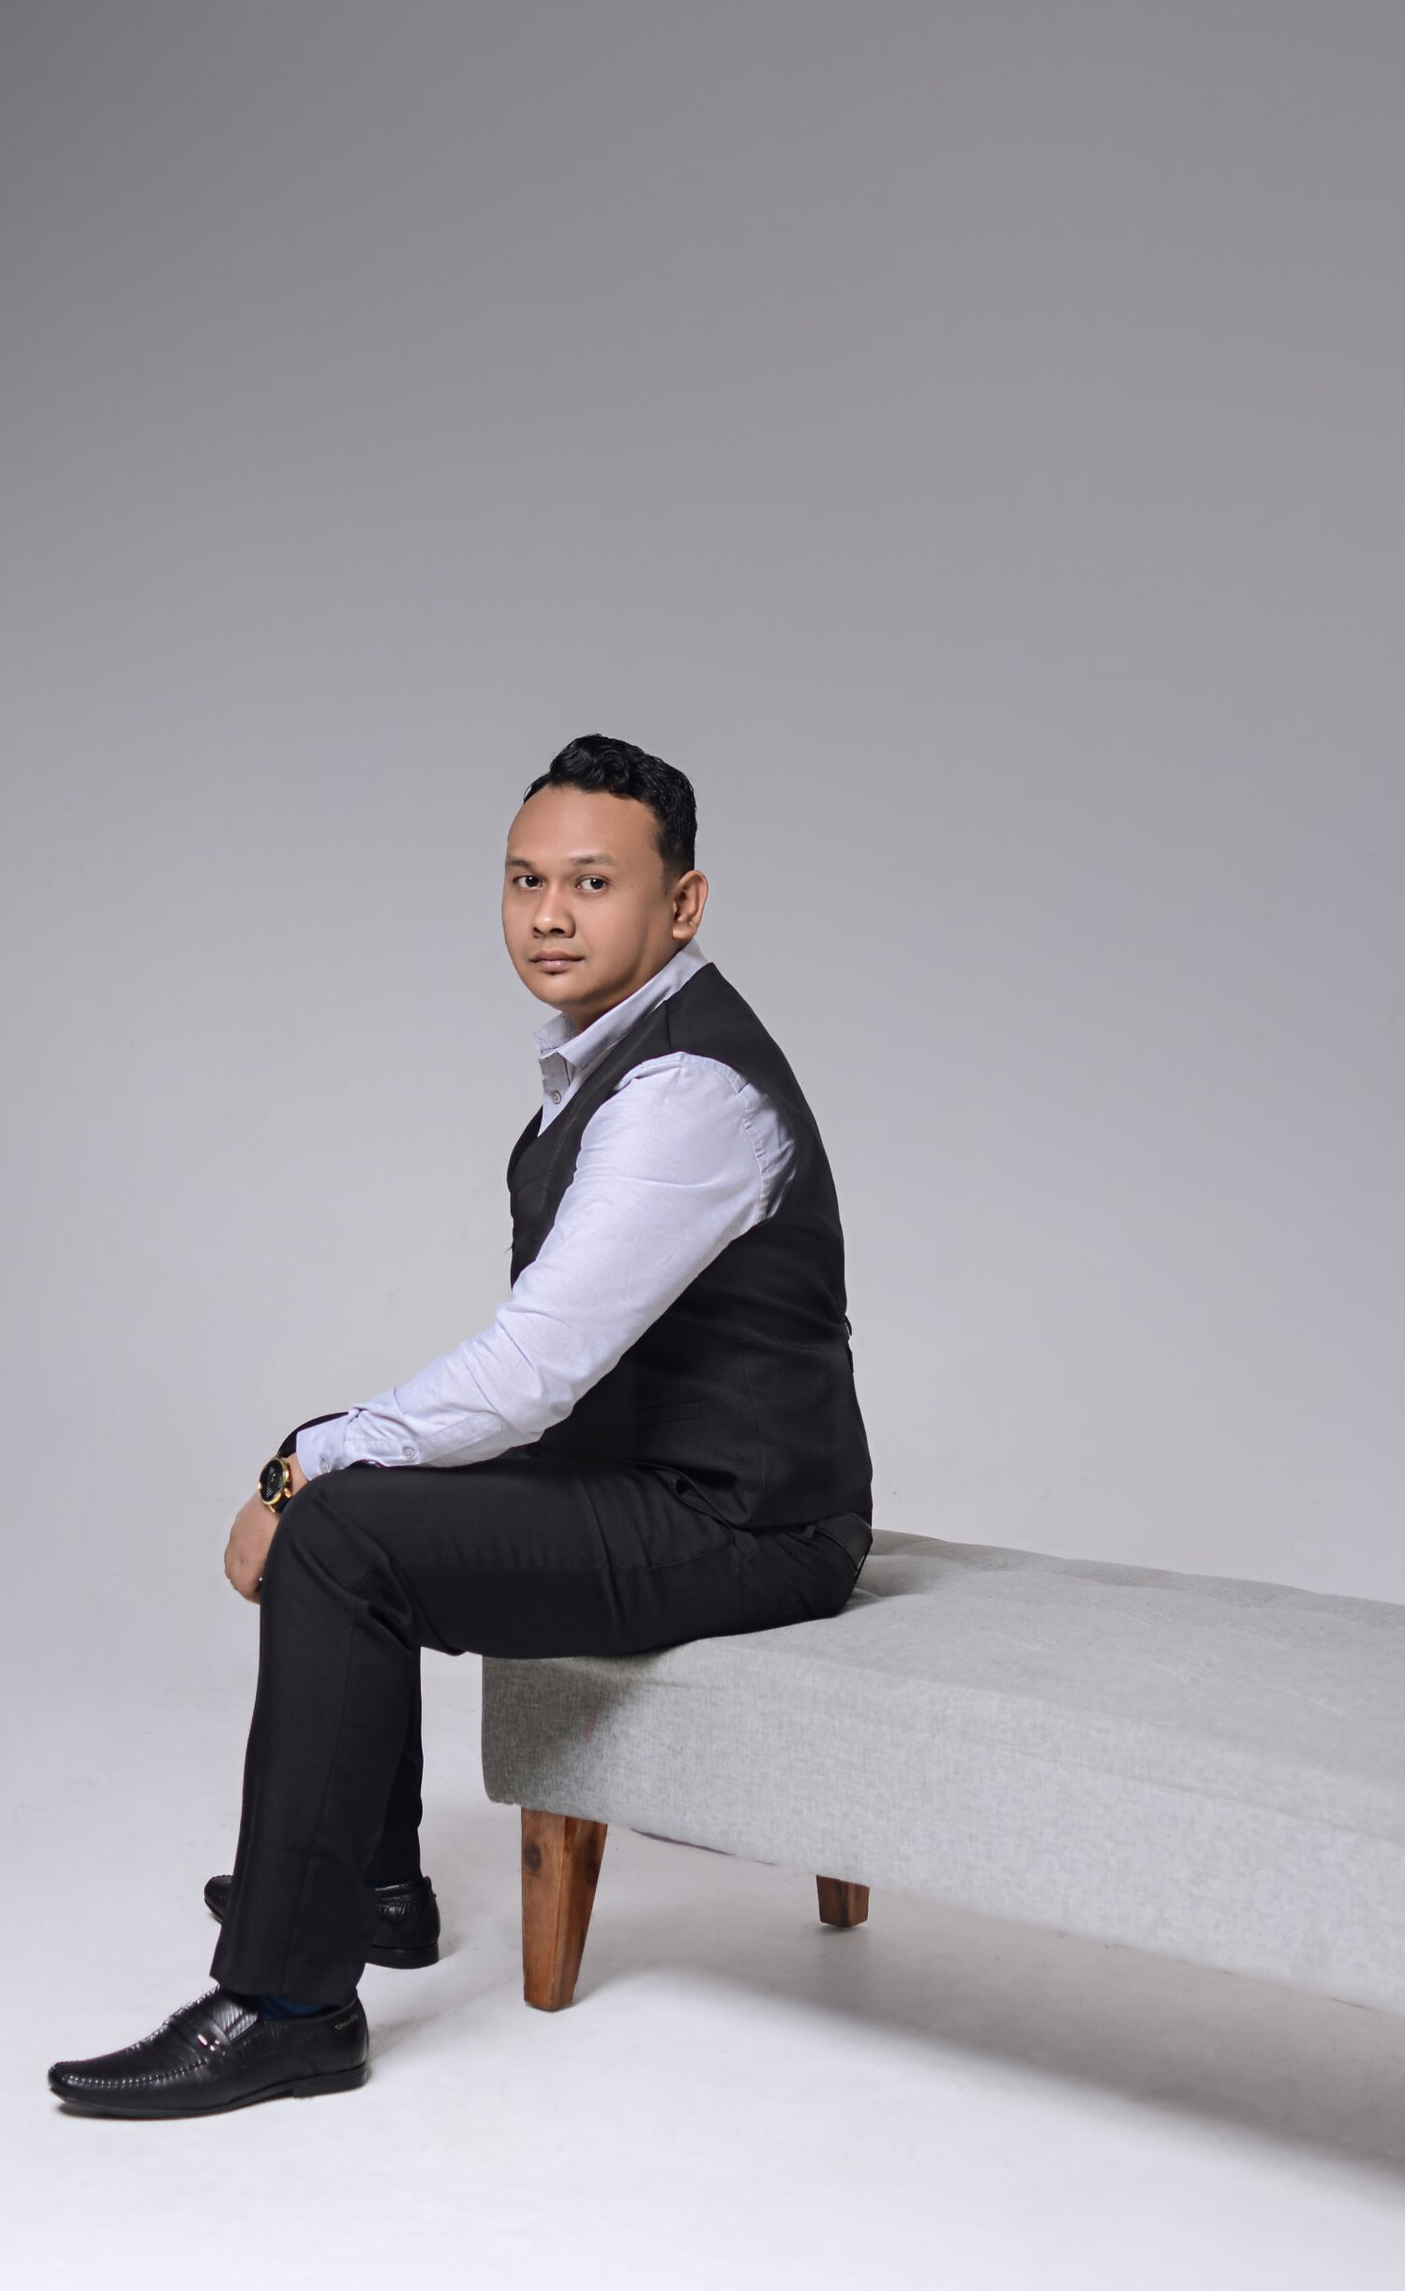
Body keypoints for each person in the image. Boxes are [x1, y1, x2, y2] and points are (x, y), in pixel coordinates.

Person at [48, 732, 874, 2117]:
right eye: (524, 880)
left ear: (682, 905)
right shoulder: (618, 1058)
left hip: (748, 1520)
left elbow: (532, 1374)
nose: (550, 915)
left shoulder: (686, 1090)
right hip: (652, 1480)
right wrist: (325, 1447)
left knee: (340, 1524)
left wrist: (301, 1469)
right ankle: (372, 1891)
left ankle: (292, 2006)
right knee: (343, 1475)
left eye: (593, 883)